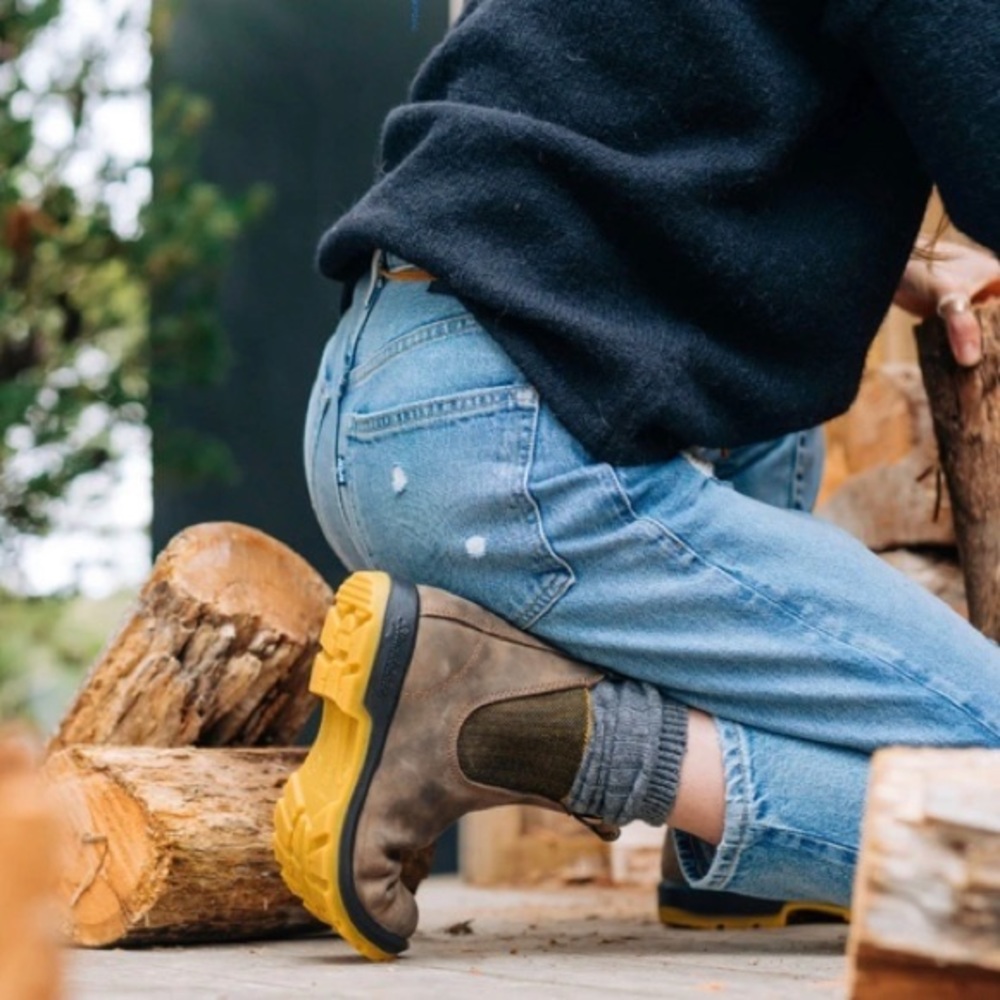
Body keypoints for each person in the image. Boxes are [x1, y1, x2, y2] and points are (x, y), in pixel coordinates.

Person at [273, 0, 1000, 961]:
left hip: (387, 393)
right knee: (978, 789)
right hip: (518, 457)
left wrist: (884, 256)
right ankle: (534, 731)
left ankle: (729, 861)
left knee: (779, 424)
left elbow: (638, 118)